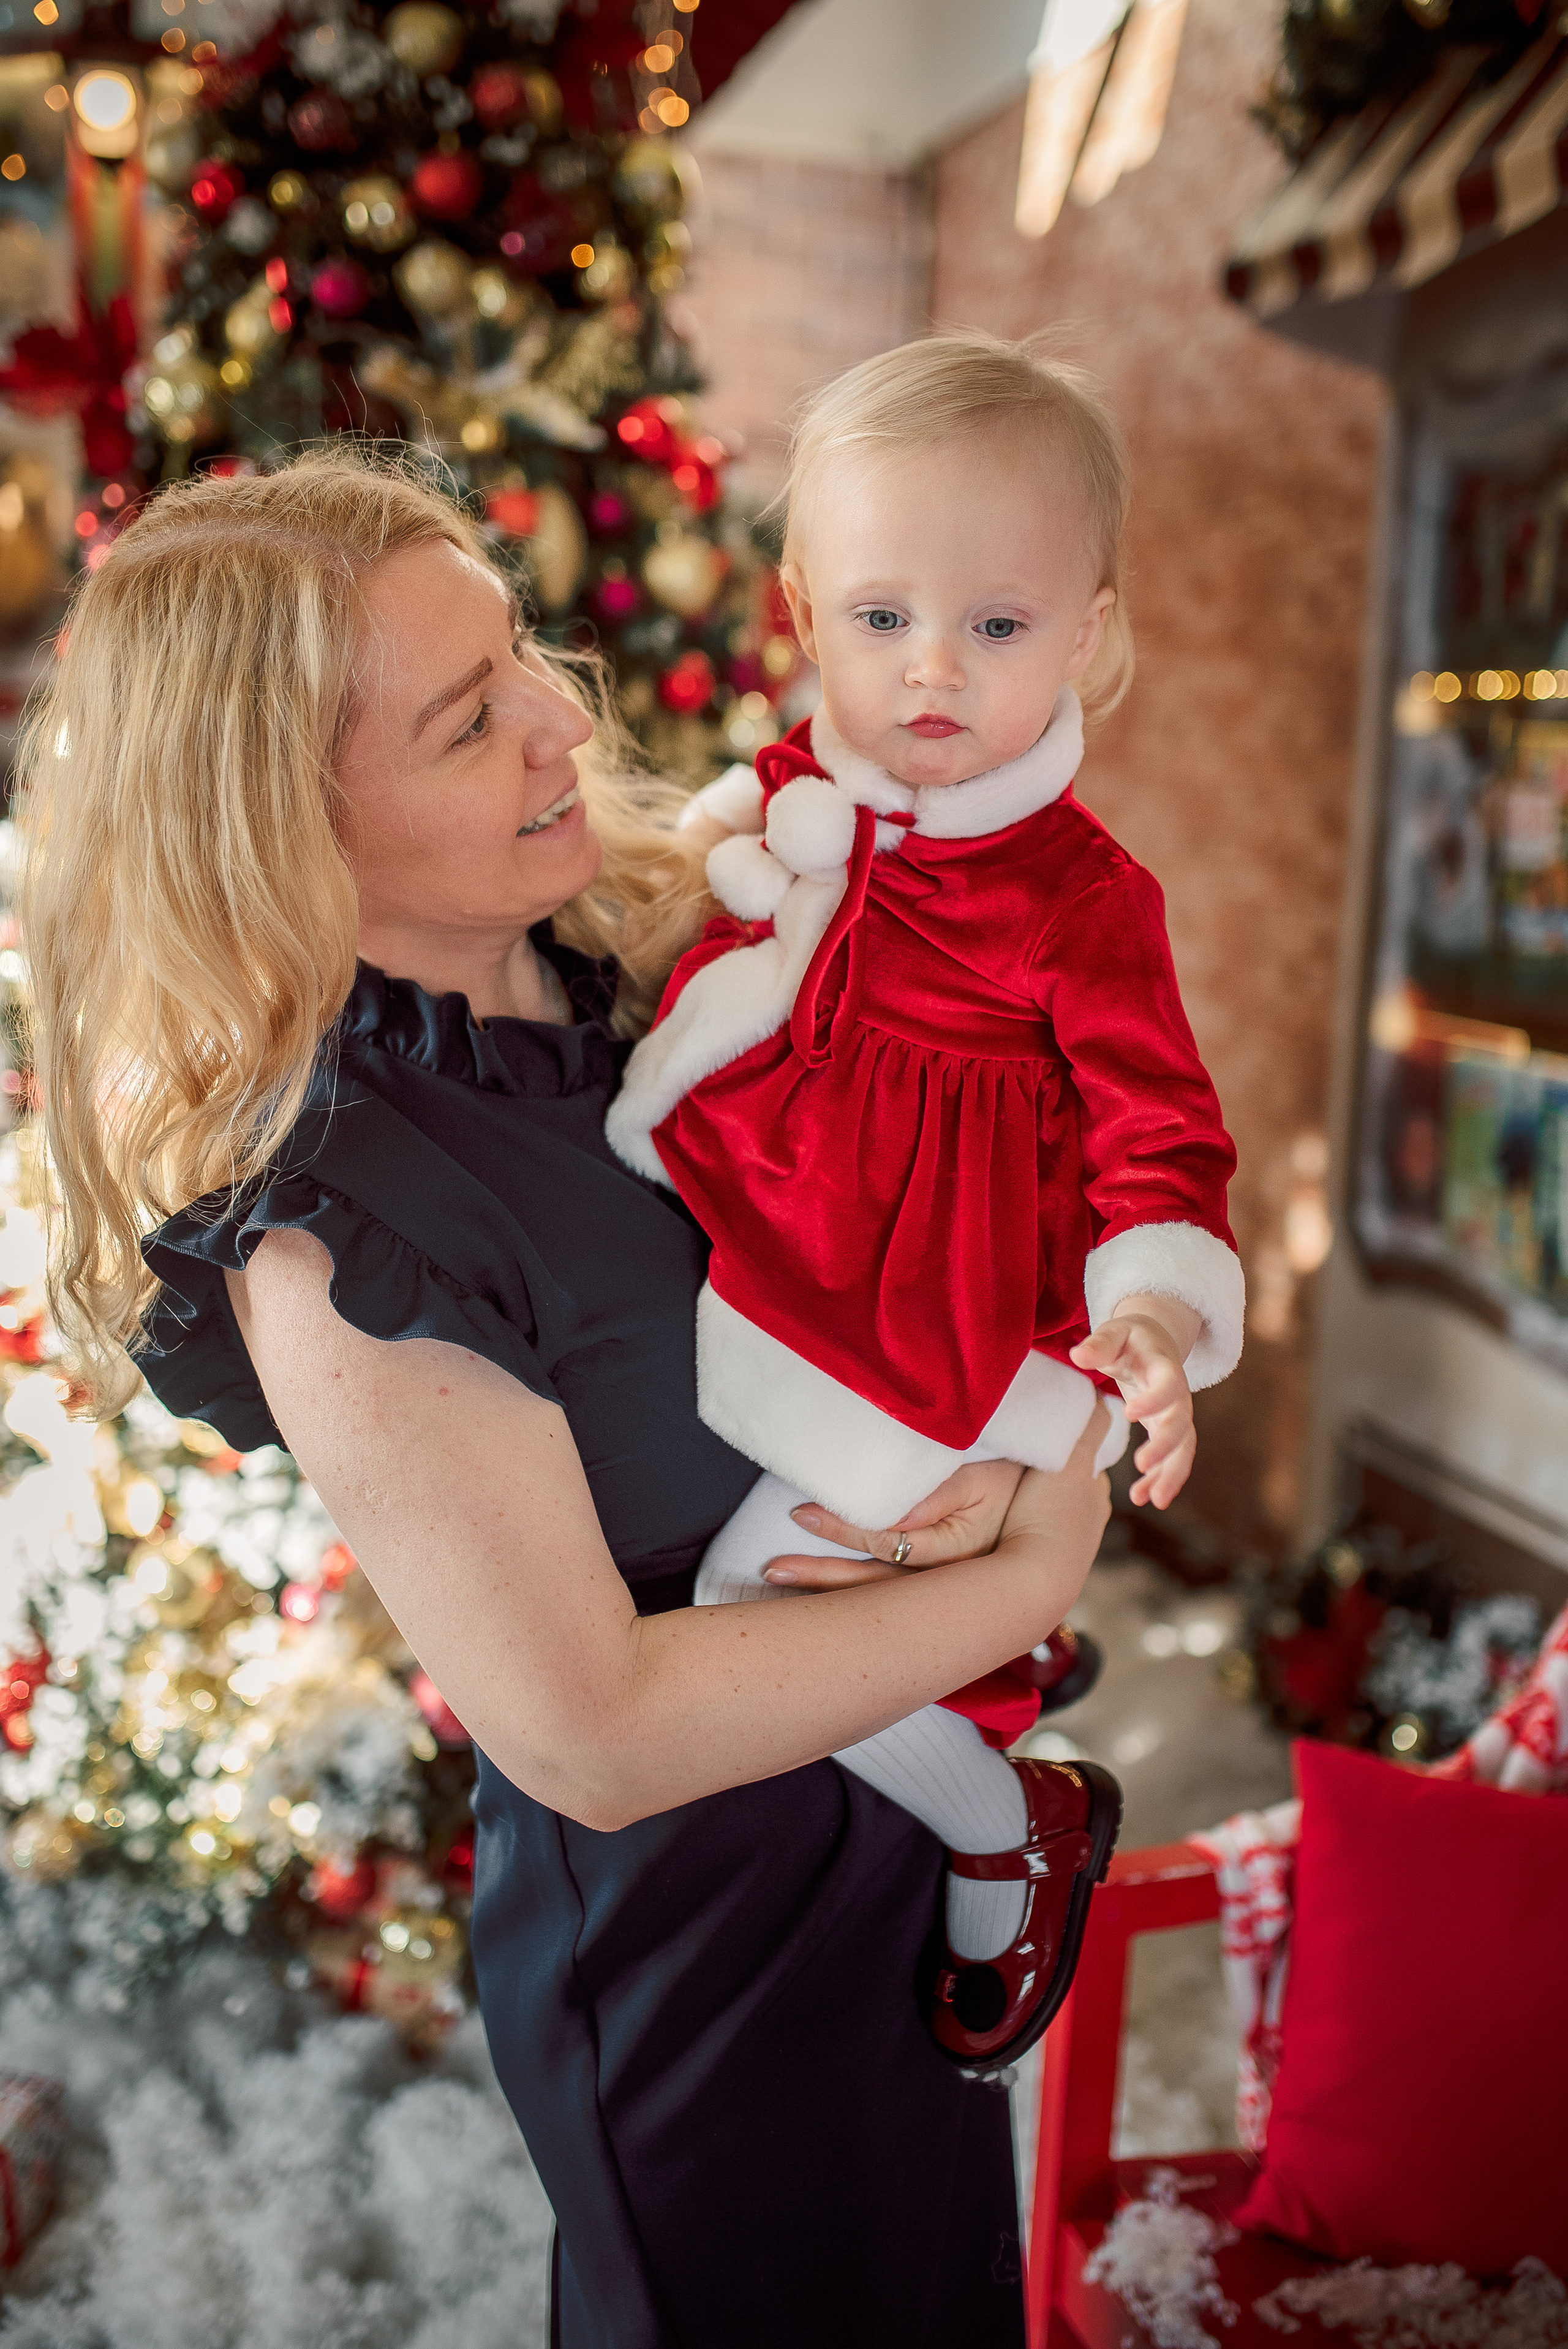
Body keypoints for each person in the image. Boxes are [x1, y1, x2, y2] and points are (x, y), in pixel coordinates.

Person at [17, 450, 1114, 2349]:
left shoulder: (660, 957)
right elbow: (593, 1729)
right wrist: (1033, 1569)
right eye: (466, 721)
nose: (554, 719)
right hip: (709, 1949)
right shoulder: (337, 1220)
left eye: (515, 649)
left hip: (914, 1853)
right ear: (289, 827)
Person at [606, 335, 1245, 2071]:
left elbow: (1161, 1138)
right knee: (805, 1589)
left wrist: (1156, 1319)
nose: (935, 669)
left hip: (930, 1318)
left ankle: (1004, 1820)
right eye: (884, 619)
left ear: (1091, 630)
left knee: (752, 1617)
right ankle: (996, 1675)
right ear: (807, 609)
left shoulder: (1080, 895)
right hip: (796, 1257)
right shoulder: (806, 794)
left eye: (1000, 623)